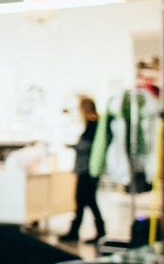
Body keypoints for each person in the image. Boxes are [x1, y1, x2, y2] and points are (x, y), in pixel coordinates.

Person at [60, 95, 107, 242]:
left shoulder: (93, 124)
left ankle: (79, 231)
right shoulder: (94, 124)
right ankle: (95, 230)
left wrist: (74, 146)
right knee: (87, 200)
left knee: (84, 200)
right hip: (87, 168)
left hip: (87, 170)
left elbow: (87, 146)